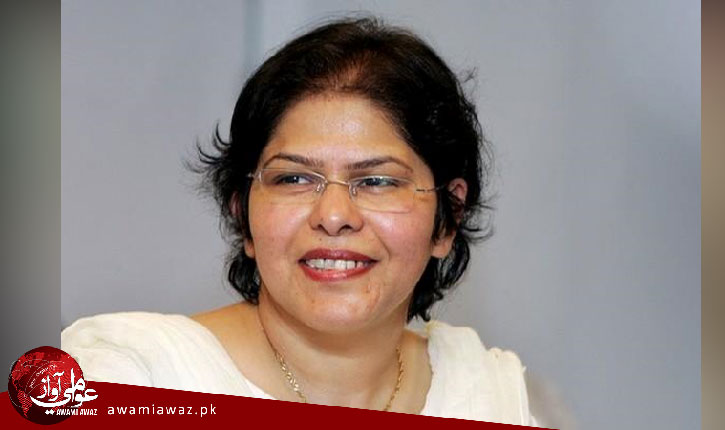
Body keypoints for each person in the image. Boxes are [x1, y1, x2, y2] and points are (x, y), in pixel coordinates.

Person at [62, 17, 537, 426]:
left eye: (376, 181)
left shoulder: (488, 396)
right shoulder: (126, 376)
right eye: (293, 178)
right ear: (242, 212)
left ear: (448, 218)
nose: (333, 216)